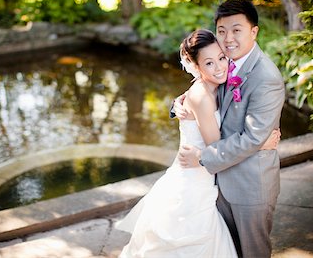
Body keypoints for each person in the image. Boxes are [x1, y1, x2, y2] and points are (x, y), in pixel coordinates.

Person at [116, 28, 279, 257]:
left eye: (221, 58)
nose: (220, 66)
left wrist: (178, 103)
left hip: (209, 175)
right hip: (195, 178)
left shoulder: (220, 84)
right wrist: (259, 143)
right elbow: (216, 146)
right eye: (209, 63)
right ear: (197, 67)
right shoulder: (202, 96)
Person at [176, 0, 285, 258]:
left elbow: (252, 138)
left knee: (253, 253)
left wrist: (202, 158)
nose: (228, 38)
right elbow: (203, 88)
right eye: (222, 31)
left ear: (253, 31)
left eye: (237, 30)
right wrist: (180, 104)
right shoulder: (225, 63)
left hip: (249, 187)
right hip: (218, 185)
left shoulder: (266, 77)